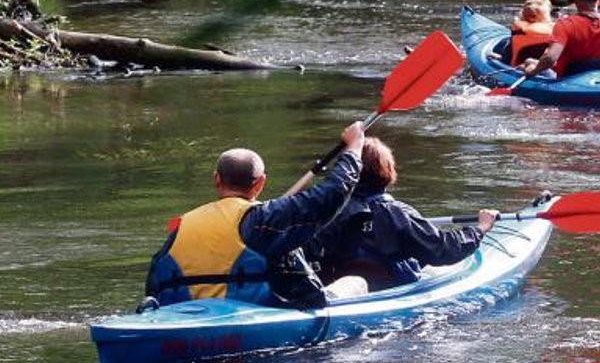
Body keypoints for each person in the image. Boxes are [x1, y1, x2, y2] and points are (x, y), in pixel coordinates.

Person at [145, 122, 368, 309]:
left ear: (216, 179)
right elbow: (331, 195)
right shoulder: (263, 220)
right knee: (356, 282)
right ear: (260, 183)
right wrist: (354, 149)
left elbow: (154, 283)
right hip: (253, 317)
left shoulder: (183, 225)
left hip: (184, 318)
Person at [310, 137, 499, 292]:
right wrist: (481, 228)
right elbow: (443, 249)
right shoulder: (394, 212)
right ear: (386, 171)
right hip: (384, 290)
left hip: (338, 285)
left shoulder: (324, 210)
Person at [508, 0, 555, 66]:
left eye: (539, 4)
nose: (530, 7)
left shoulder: (557, 27)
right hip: (522, 66)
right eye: (528, 4)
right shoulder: (520, 26)